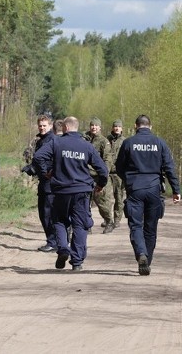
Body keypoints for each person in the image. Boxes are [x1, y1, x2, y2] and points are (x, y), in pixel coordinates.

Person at [33, 116, 108, 271]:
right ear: (76, 127)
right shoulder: (86, 145)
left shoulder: (56, 142)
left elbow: (38, 157)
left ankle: (63, 249)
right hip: (81, 191)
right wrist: (100, 184)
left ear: (65, 128)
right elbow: (103, 169)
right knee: (80, 225)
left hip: (60, 191)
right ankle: (77, 262)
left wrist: (46, 172)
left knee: (59, 221)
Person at [115, 114, 181, 276]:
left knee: (136, 225)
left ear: (136, 126)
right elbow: (169, 168)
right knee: (150, 229)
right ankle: (147, 261)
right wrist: (176, 190)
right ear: (150, 127)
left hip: (135, 189)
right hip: (154, 190)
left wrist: (129, 180)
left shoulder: (128, 143)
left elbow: (119, 167)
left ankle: (141, 254)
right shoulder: (159, 143)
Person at [24, 115, 58, 253]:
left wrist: (43, 171)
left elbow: (51, 160)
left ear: (50, 126)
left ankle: (53, 242)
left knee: (47, 213)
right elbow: (38, 159)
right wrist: (32, 168)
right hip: (44, 181)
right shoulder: (41, 140)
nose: (42, 128)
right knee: (44, 212)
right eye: (40, 125)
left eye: (44, 125)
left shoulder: (52, 140)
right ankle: (54, 240)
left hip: (50, 182)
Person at [85, 117, 115, 233]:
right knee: (86, 202)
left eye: (96, 125)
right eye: (92, 125)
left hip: (98, 177)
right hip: (87, 176)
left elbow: (107, 159)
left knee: (102, 203)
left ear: (100, 127)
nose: (94, 127)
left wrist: (104, 175)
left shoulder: (104, 141)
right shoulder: (85, 139)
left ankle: (109, 221)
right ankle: (87, 226)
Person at [107, 120, 126, 227]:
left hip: (119, 173)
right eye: (115, 126)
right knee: (107, 197)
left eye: (119, 126)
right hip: (108, 172)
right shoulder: (107, 139)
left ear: (122, 128)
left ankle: (117, 220)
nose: (117, 128)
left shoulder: (124, 141)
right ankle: (107, 219)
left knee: (119, 197)